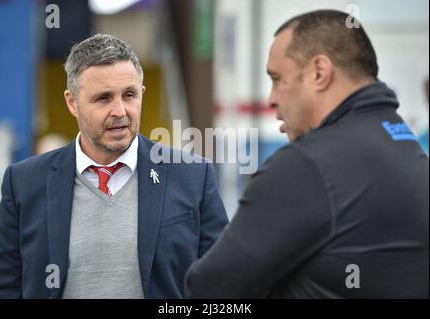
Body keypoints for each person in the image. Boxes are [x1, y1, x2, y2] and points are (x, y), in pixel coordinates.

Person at [184, 10, 429, 298]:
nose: (271, 98)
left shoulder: (305, 166)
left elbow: (207, 292)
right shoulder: (405, 144)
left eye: (277, 79)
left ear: (318, 73)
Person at [0, 34, 228, 299]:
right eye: (104, 98)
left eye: (130, 95)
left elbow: (222, 284)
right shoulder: (24, 183)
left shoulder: (193, 177)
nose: (120, 111)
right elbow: (2, 290)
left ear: (142, 94)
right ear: (72, 102)